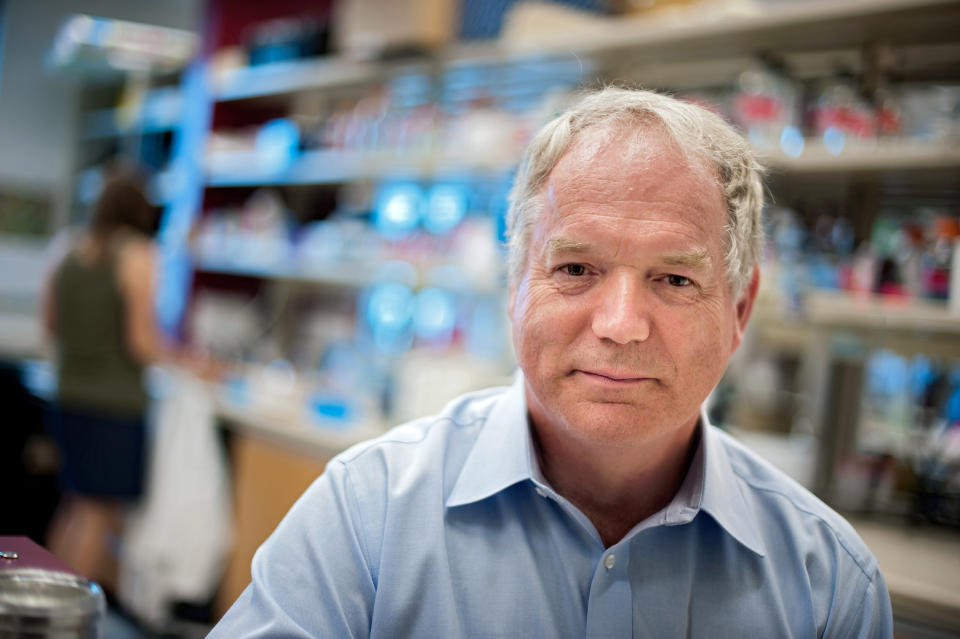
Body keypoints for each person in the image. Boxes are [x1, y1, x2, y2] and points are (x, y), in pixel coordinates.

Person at [210, 88, 893, 637]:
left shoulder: (828, 586)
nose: (621, 325)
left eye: (675, 280)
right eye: (574, 267)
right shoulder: (366, 517)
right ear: (514, 287)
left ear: (740, 310)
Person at [40, 163, 207, 591]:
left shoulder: (68, 248)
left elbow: (52, 326)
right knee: (98, 516)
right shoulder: (138, 255)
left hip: (68, 395)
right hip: (115, 403)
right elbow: (142, 344)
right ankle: (68, 623)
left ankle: (37, 608)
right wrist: (190, 360)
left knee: (76, 507)